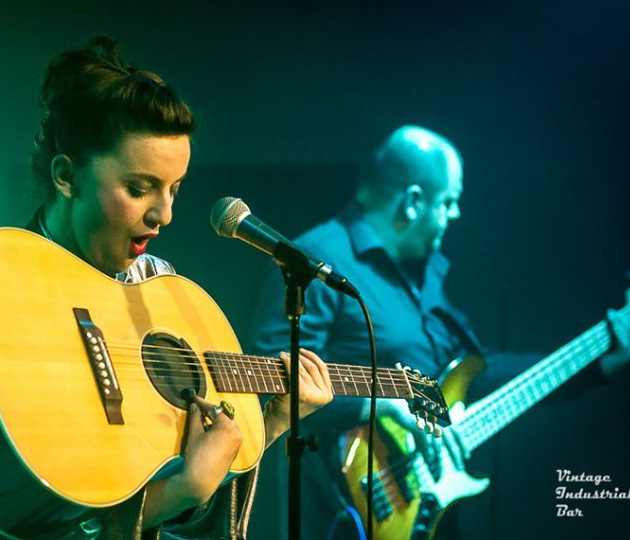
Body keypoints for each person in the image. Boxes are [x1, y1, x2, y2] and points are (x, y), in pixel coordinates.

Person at [0, 36, 334, 540]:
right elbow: (25, 521)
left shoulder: (158, 290)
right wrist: (182, 491)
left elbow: (184, 507)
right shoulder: (0, 288)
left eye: (174, 189)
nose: (164, 215)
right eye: (139, 189)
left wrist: (269, 424)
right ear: (66, 176)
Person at [248, 125, 630, 539]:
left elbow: (476, 371)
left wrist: (604, 350)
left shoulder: (425, 270)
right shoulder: (316, 258)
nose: (455, 214)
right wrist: (380, 406)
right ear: (413, 201)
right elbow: (268, 374)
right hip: (348, 511)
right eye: (448, 201)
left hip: (428, 506)